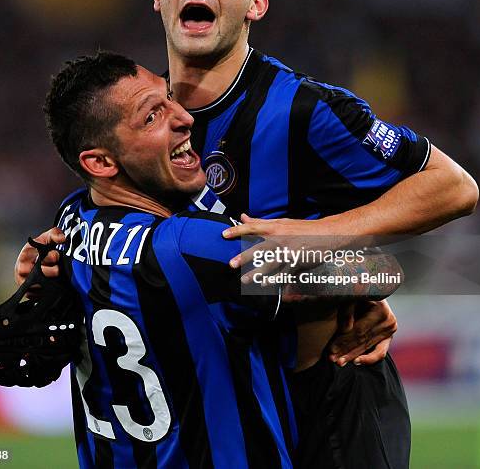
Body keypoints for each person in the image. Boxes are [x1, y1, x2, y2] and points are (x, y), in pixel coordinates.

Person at [17, 0, 478, 467]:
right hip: (216, 393)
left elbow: (453, 187)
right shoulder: (134, 120)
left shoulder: (306, 110)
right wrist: (54, 259)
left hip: (326, 392)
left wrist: (321, 242)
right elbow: (117, 230)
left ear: (255, 3)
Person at [39, 51, 297, 468]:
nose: (184, 118)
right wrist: (362, 287)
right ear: (101, 162)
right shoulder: (191, 248)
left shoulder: (69, 223)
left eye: (170, 98)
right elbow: (374, 274)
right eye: (151, 118)